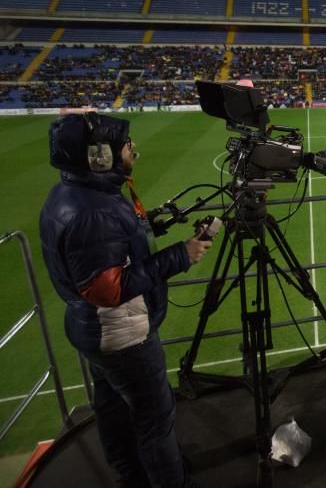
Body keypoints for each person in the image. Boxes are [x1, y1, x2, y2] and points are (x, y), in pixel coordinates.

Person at [39, 113, 212, 487]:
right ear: (100, 156)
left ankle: (130, 474)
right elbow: (108, 290)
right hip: (121, 333)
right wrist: (182, 254)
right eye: (125, 144)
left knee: (113, 406)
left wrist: (147, 227)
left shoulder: (72, 193)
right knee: (156, 419)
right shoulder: (93, 212)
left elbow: (107, 252)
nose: (132, 148)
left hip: (92, 330)